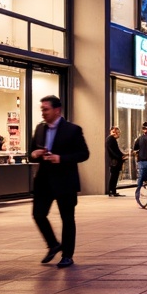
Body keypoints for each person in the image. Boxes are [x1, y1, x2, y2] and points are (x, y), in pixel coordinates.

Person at [30, 95, 90, 268]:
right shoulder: (39, 128)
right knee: (38, 215)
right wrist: (34, 154)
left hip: (65, 181)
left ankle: (67, 255)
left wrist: (61, 158)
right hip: (43, 180)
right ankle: (53, 244)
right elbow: (32, 151)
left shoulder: (72, 129)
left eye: (46, 109)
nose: (43, 112)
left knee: (67, 218)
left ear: (57, 110)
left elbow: (83, 154)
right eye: (41, 109)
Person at [105, 126, 124, 197]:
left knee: (114, 176)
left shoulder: (111, 139)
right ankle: (111, 191)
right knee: (114, 176)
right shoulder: (110, 139)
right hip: (114, 161)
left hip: (115, 160)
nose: (118, 134)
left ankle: (113, 191)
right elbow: (113, 151)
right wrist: (120, 156)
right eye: (117, 132)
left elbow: (116, 151)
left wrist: (122, 155)